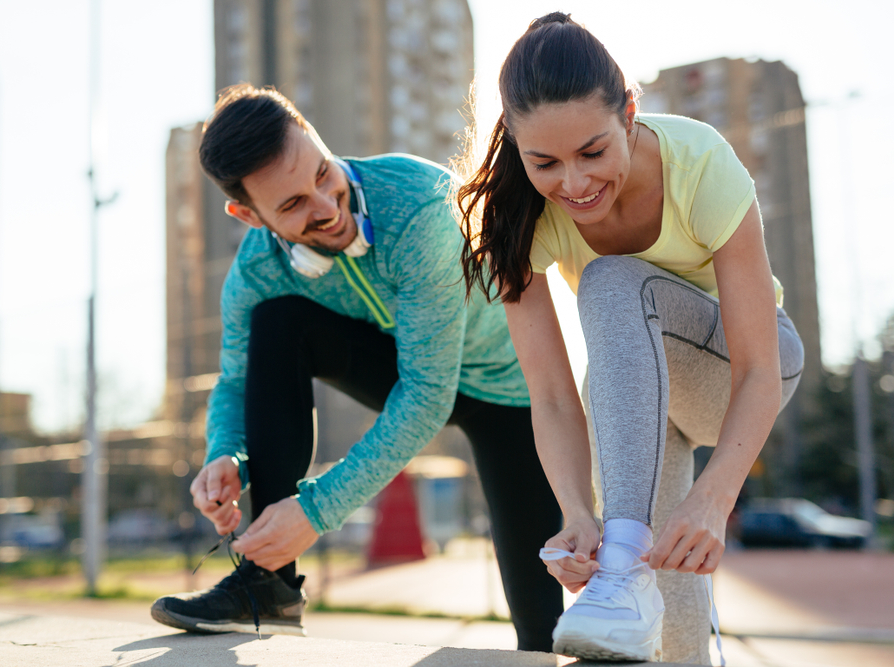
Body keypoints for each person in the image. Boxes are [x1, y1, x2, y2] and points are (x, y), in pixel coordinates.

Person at [149, 83, 565, 652]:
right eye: (291, 205)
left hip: (508, 393)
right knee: (278, 321)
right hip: (401, 365)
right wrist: (226, 453)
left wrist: (316, 510)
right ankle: (268, 585)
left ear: (319, 141)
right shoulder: (257, 272)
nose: (325, 207)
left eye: (322, 173)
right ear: (248, 215)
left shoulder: (417, 206)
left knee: (541, 630)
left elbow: (427, 396)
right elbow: (237, 380)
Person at [458, 13, 803, 665]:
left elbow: (760, 368)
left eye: (593, 152)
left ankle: (618, 567)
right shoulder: (517, 220)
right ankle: (628, 578)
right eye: (544, 162)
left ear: (629, 113)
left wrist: (714, 498)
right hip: (641, 409)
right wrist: (576, 512)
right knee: (663, 604)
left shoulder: (700, 163)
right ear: (516, 146)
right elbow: (552, 394)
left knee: (612, 280)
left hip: (746, 372)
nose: (574, 184)